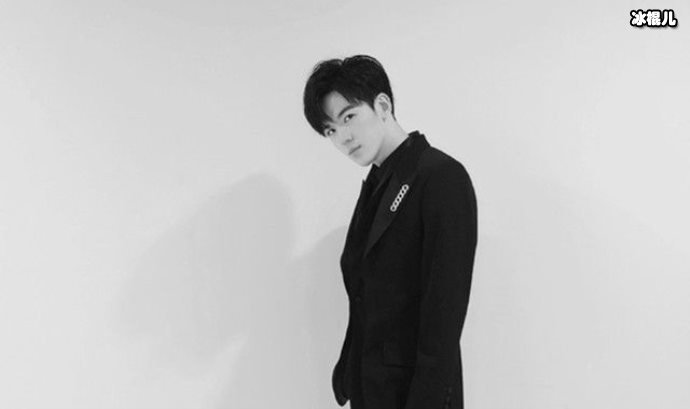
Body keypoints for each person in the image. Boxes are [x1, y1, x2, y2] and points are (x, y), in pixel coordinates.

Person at [303, 55, 478, 409]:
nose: (343, 138)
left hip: (416, 396)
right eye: (330, 130)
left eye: (348, 117)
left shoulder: (440, 177)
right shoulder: (375, 187)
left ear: (382, 106)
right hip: (371, 391)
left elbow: (443, 317)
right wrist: (348, 369)